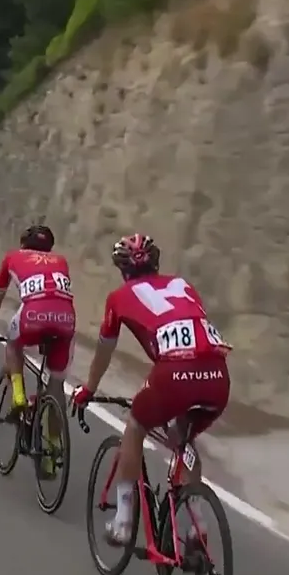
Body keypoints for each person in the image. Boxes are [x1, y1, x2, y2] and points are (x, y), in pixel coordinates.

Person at [70, 234, 232, 547]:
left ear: (123, 269)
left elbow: (104, 352)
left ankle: (123, 523)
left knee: (135, 425)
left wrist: (89, 389)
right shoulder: (183, 285)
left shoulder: (119, 297)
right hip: (217, 375)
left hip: (174, 374)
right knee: (183, 439)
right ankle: (197, 527)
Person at [0, 224, 75, 477]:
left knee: (13, 343)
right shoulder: (61, 260)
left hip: (33, 316)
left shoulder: (12, 257)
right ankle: (53, 451)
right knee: (56, 384)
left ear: (23, 244)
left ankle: (18, 396)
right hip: (66, 320)